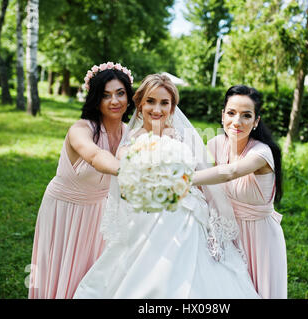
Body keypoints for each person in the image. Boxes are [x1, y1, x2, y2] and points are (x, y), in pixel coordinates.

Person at [73, 74, 260, 299]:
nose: (157, 109)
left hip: (186, 214)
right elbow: (125, 180)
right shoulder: (131, 140)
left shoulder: (184, 136)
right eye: (151, 101)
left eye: (165, 103)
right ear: (140, 104)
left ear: (172, 107)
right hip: (145, 213)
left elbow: (201, 178)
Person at [28, 62, 135, 299]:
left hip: (98, 213)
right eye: (106, 95)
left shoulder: (131, 134)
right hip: (64, 210)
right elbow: (97, 156)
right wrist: (130, 170)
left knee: (89, 276)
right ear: (95, 99)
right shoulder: (80, 129)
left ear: (129, 96)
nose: (114, 101)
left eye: (120, 93)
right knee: (60, 272)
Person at [192, 85, 287, 299]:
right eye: (232, 113)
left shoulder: (262, 152)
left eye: (246, 116)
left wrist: (183, 181)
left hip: (260, 239)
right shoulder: (217, 144)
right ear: (222, 115)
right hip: (227, 231)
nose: (237, 122)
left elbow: (229, 172)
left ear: (256, 121)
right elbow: (213, 185)